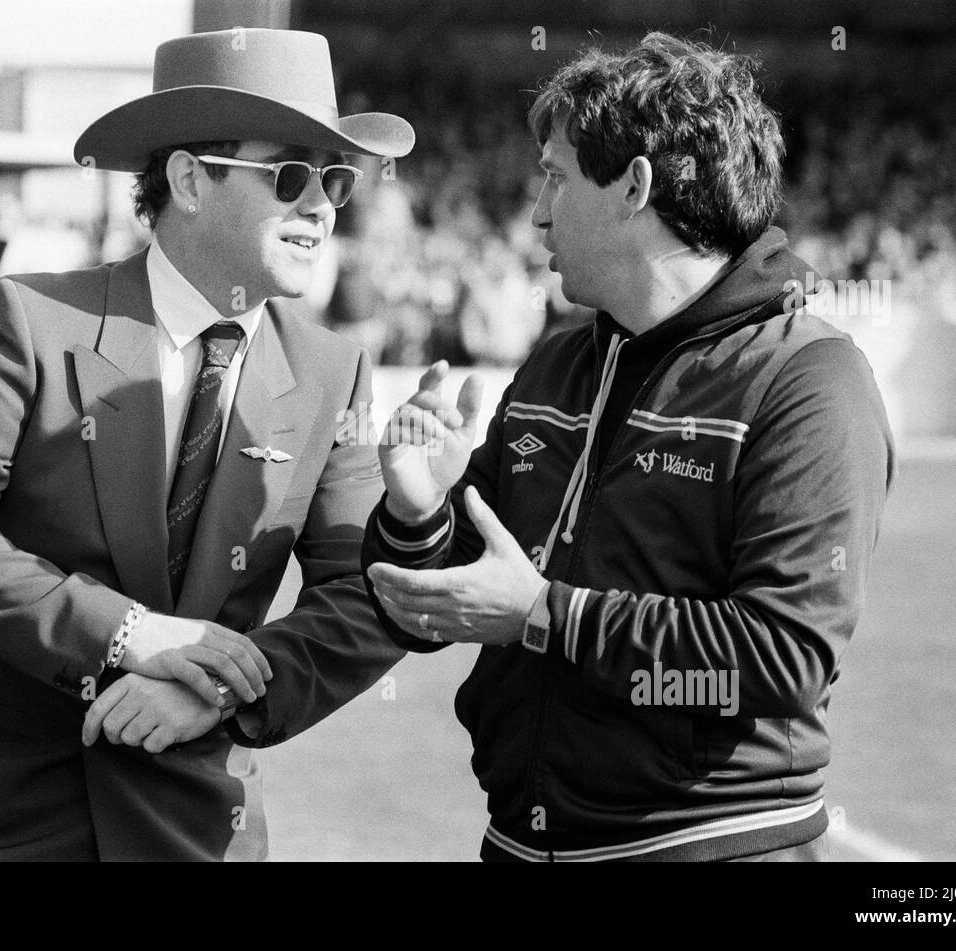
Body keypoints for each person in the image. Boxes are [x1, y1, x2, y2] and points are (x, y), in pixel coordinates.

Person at [0, 28, 412, 861]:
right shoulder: (30, 319)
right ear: (190, 179)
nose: (322, 207)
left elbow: (366, 596)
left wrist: (221, 692)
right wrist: (126, 633)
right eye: (292, 175)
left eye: (334, 179)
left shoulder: (332, 370)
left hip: (195, 833)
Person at [363, 33, 895, 862]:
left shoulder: (808, 380)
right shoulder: (559, 363)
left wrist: (546, 614)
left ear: (636, 186)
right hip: (519, 843)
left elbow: (779, 661)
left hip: (711, 848)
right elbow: (439, 606)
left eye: (556, 175)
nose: (536, 210)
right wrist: (416, 506)